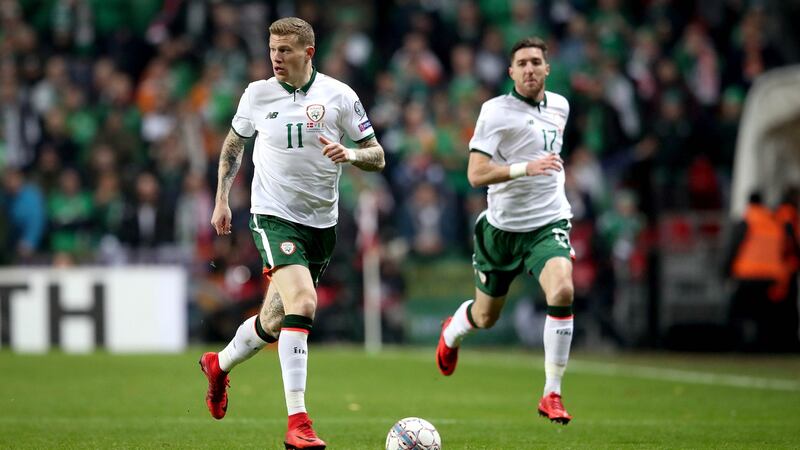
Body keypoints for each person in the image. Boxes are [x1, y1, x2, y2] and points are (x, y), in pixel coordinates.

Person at [198, 17, 385, 450]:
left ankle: (218, 365)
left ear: (308, 52)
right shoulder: (257, 94)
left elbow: (377, 155)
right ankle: (298, 421)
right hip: (271, 215)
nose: (276, 58)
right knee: (304, 301)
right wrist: (222, 199)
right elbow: (233, 144)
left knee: (274, 319)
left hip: (321, 224)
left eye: (285, 50)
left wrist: (352, 154)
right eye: (272, 49)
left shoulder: (340, 96)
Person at [435, 37, 576, 424]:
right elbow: (475, 173)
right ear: (511, 72)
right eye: (522, 63)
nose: (530, 69)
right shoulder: (495, 112)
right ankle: (453, 330)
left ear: (547, 68)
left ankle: (552, 392)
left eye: (536, 62)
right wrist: (523, 168)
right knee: (486, 317)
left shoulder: (561, 106)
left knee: (562, 289)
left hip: (548, 222)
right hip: (502, 229)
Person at [723, 191, 784, 351]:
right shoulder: (773, 222)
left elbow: (733, 247)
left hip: (747, 275)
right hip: (770, 277)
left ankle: (741, 347)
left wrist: (725, 272)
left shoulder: (746, 221)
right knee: (765, 317)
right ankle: (765, 348)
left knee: (740, 314)